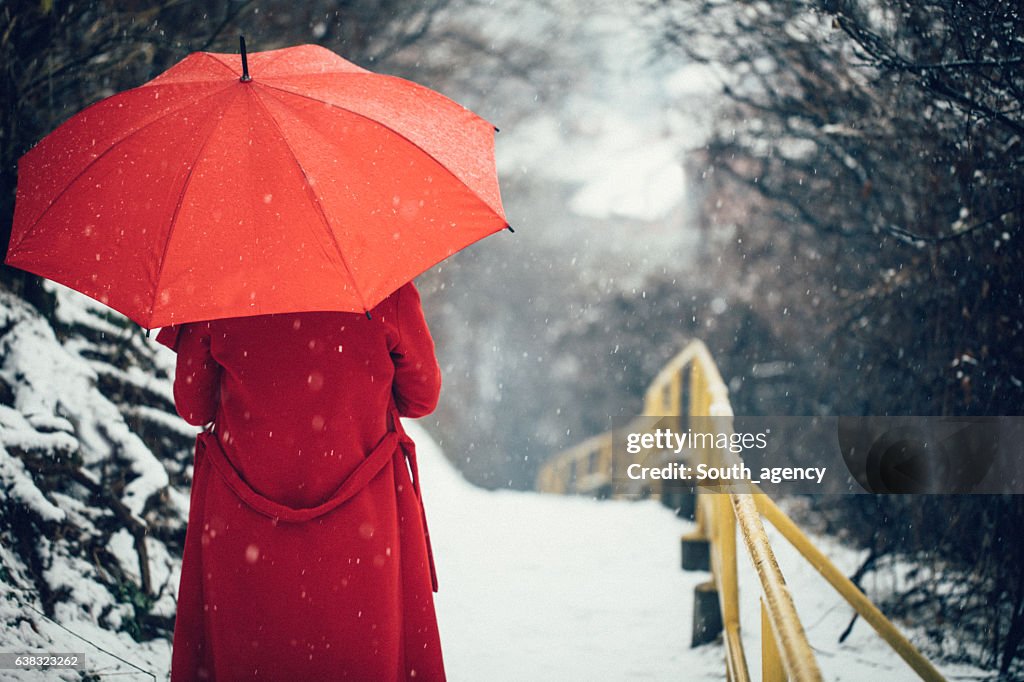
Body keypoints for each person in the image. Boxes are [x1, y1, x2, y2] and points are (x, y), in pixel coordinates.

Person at [157, 281, 445, 681]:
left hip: (244, 524)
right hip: (362, 523)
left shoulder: (217, 285)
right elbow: (421, 397)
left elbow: (193, 406)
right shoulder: (378, 285)